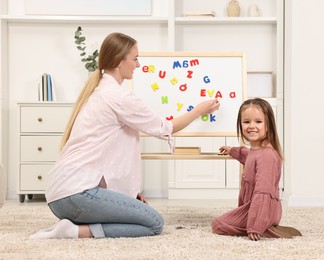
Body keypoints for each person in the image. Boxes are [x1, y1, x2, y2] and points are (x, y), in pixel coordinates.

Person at [29, 32, 220, 239]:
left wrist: (129, 197)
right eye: (135, 58)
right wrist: (199, 110)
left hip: (60, 197)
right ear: (120, 61)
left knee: (138, 212)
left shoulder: (99, 92)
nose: (138, 65)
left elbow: (110, 159)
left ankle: (74, 225)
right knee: (154, 223)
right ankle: (74, 231)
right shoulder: (119, 97)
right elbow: (166, 127)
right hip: (76, 195)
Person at [211, 98, 301, 240]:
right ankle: (265, 224)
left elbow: (262, 192)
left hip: (263, 210)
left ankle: (265, 228)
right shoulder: (258, 150)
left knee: (218, 224)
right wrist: (232, 150)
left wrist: (255, 225)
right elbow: (250, 158)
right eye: (246, 122)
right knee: (225, 220)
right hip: (260, 209)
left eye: (258, 122)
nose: (251, 126)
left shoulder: (267, 155)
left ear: (268, 125)